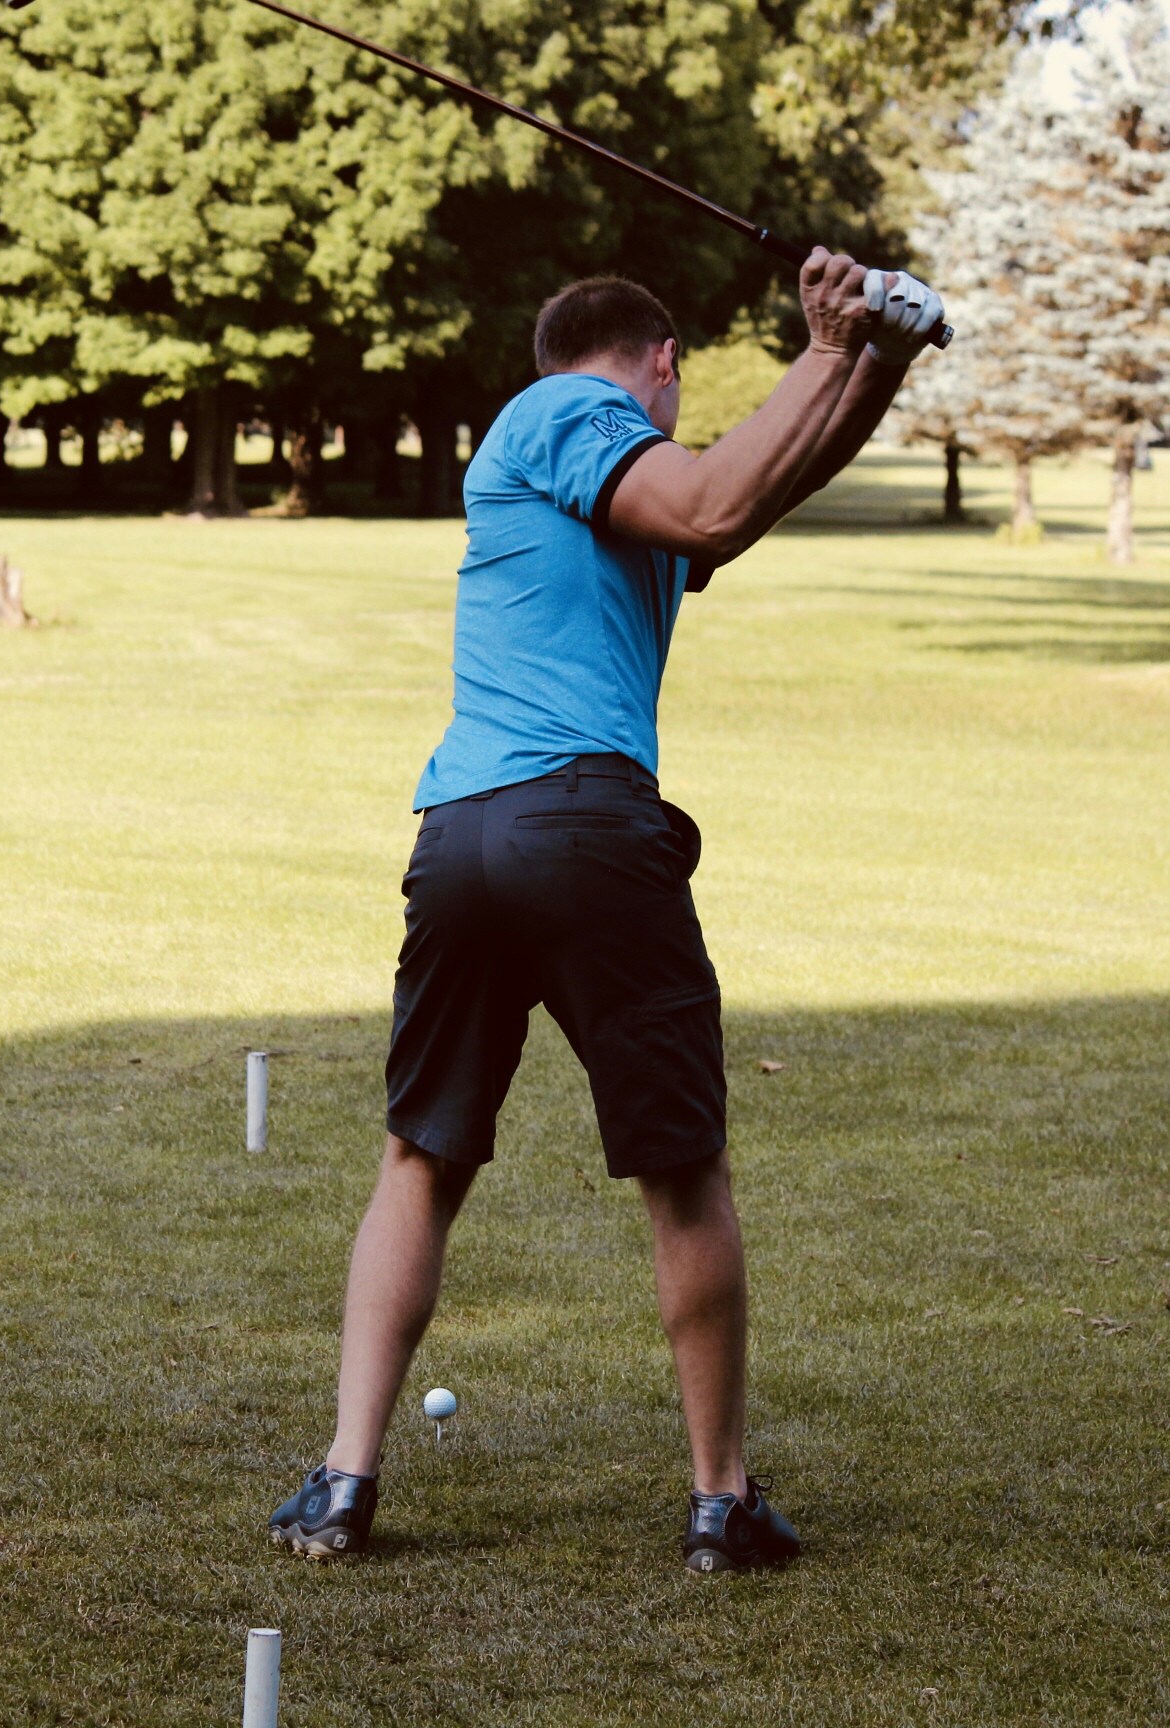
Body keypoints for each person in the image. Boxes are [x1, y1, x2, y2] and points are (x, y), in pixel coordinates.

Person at [266, 252, 946, 1573]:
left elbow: (753, 497)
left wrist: (878, 362)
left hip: (465, 835)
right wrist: (825, 346)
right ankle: (721, 1500)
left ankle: (344, 1481)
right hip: (583, 828)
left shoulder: (622, 497)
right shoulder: (570, 410)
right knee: (683, 1170)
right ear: (662, 365)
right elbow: (715, 496)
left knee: (422, 1157)